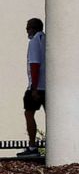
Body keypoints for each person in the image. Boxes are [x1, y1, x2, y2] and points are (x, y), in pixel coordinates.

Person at [17, 18, 46, 158]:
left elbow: (35, 64)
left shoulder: (35, 41)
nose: (27, 30)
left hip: (37, 85)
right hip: (48, 85)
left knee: (29, 114)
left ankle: (32, 146)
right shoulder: (46, 39)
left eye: (28, 27)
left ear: (34, 28)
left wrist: (34, 88)